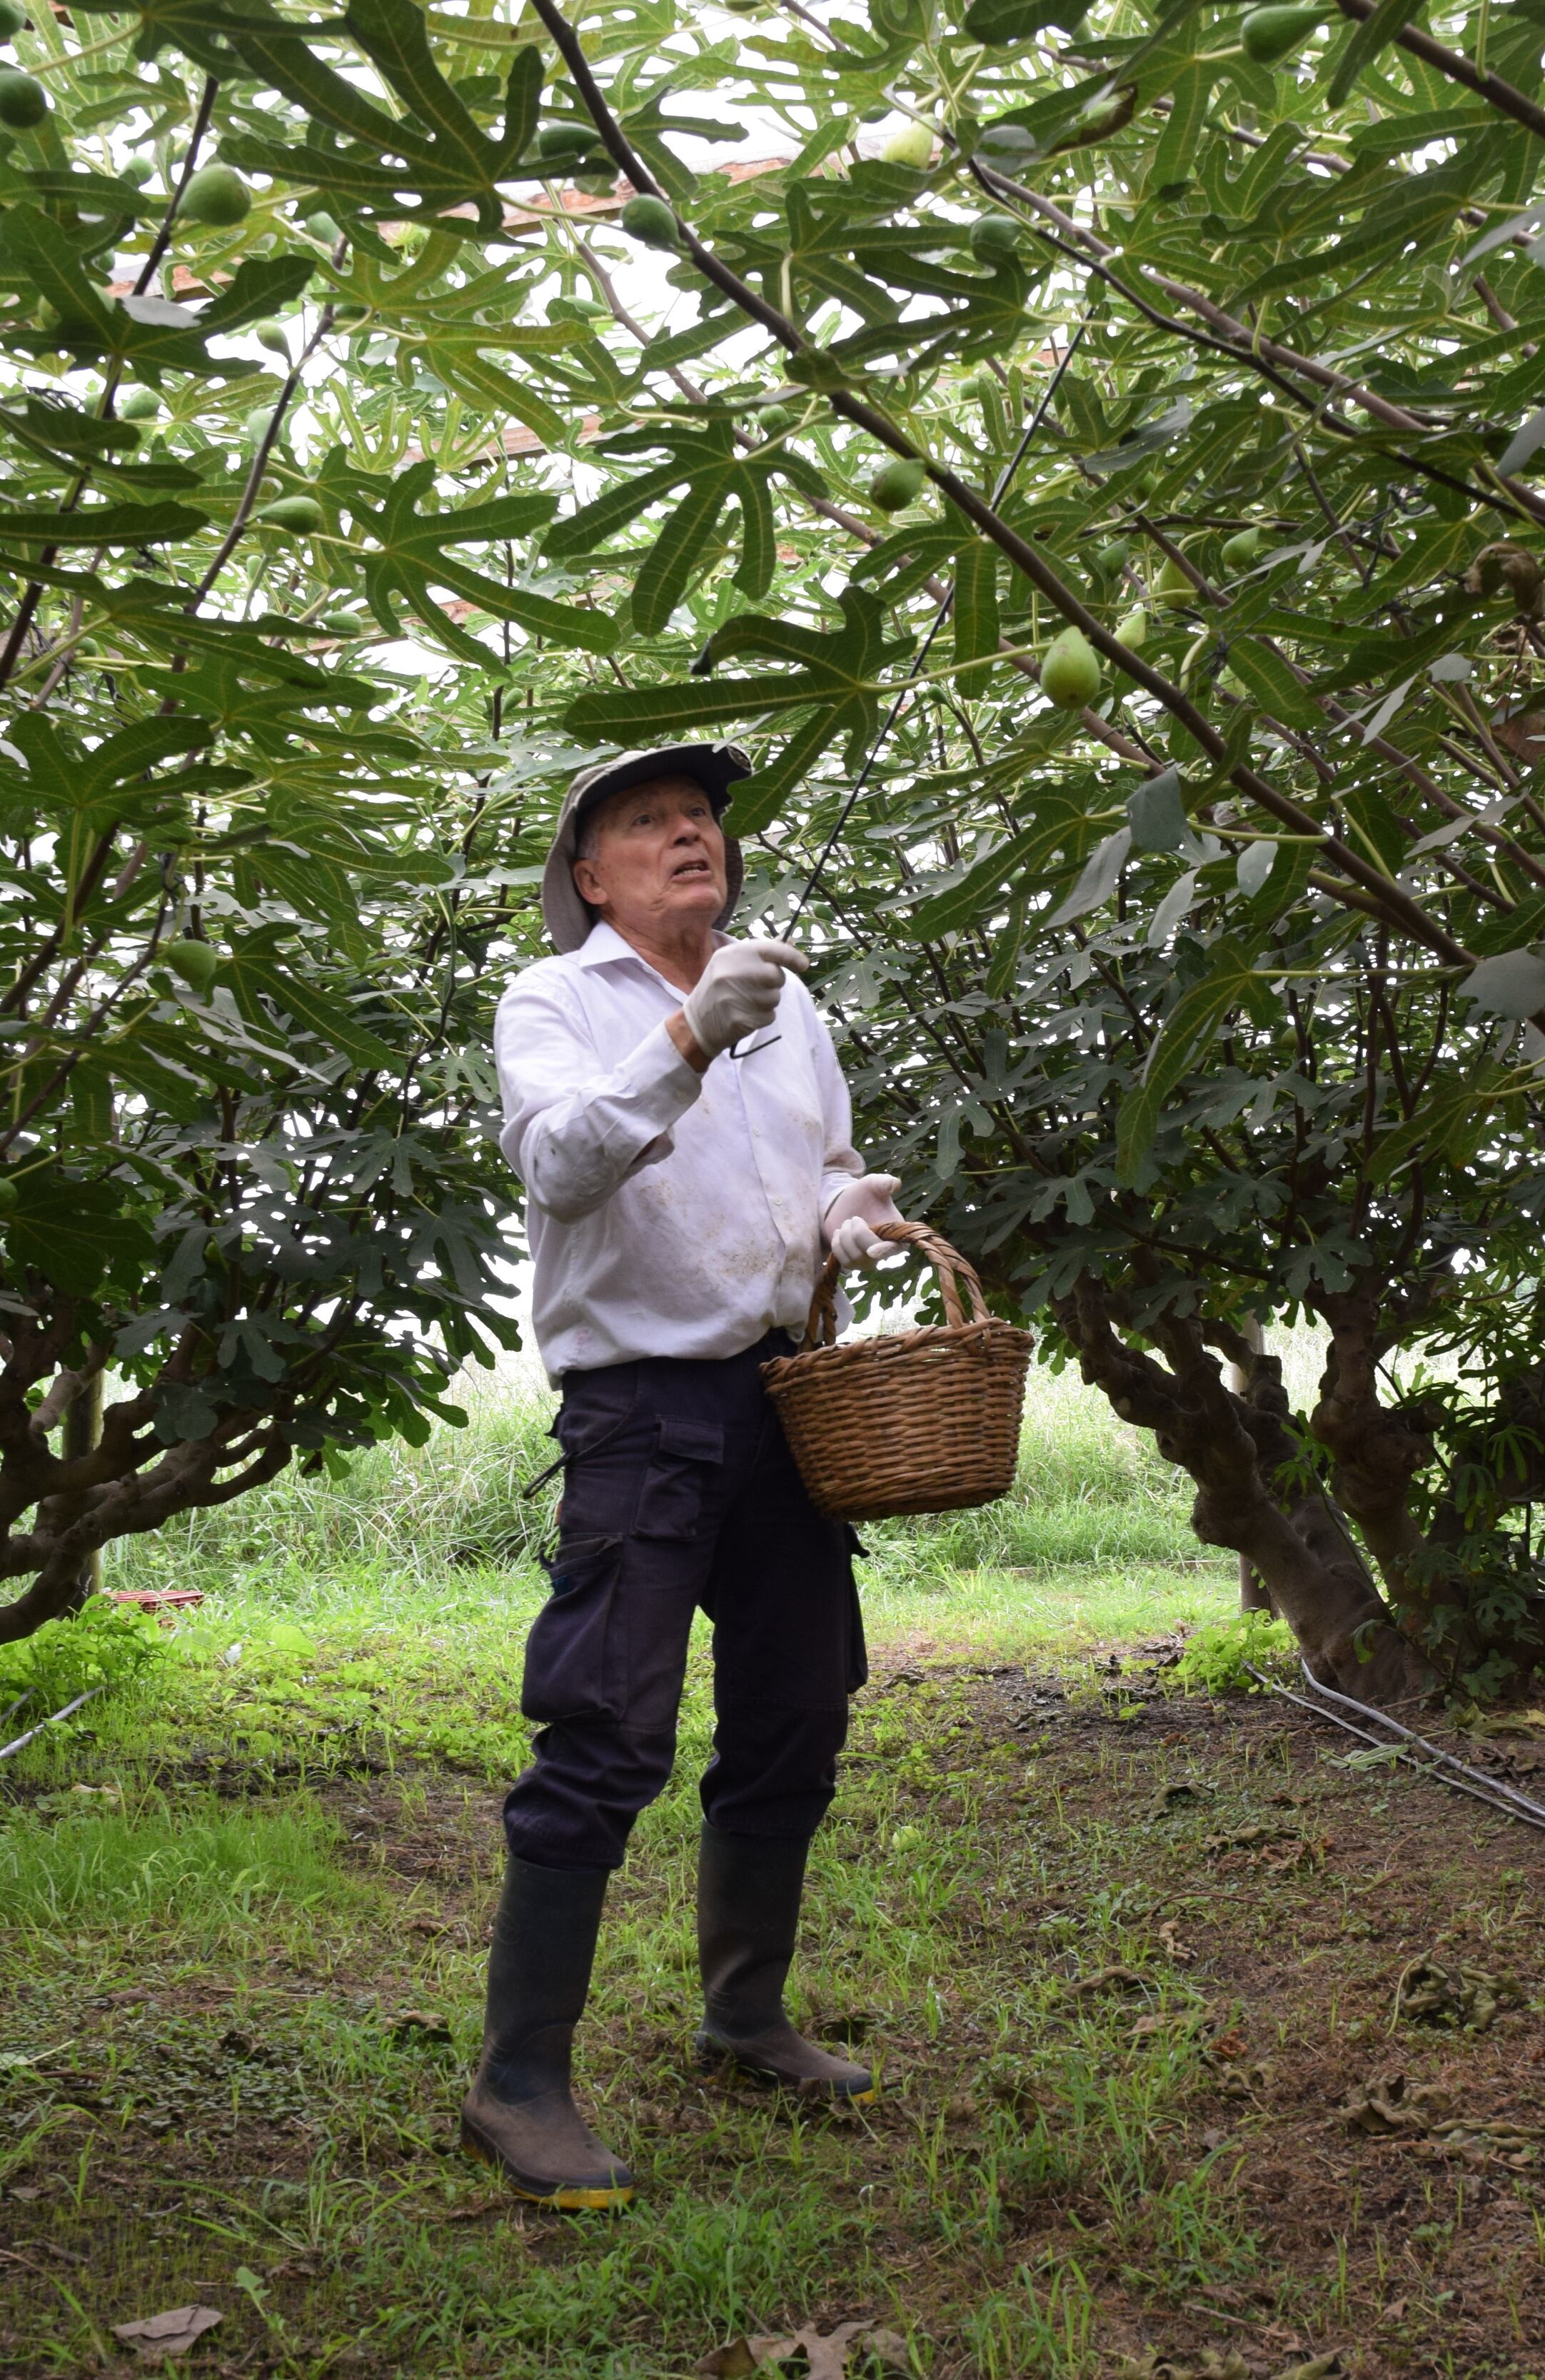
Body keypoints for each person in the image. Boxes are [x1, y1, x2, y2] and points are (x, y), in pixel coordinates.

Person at [461, 740, 912, 2211]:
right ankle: (519, 2081)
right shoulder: (555, 1001)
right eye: (649, 822)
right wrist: (685, 1038)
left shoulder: (789, 1000)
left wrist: (850, 1209)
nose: (688, 834)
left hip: (788, 1398)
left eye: (702, 816)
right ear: (589, 876)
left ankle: (742, 2013)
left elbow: (818, 1156)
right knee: (603, 1730)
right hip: (644, 1410)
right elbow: (560, 1166)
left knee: (795, 1711)